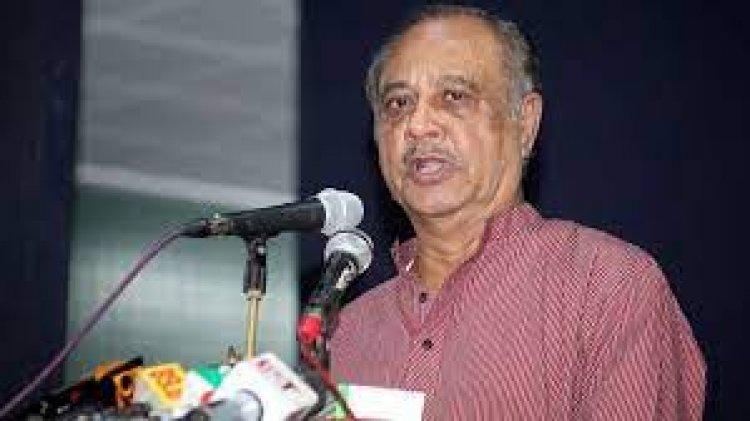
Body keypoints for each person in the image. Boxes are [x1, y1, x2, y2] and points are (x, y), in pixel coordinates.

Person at [329, 4, 705, 420]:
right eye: (398, 103)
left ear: (524, 123)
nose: (418, 125)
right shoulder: (345, 332)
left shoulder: (608, 286)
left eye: (453, 96)